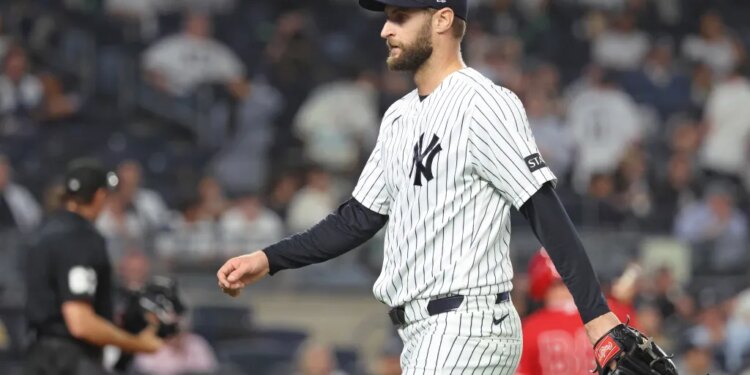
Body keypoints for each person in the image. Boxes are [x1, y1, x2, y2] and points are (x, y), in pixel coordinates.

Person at [217, 1, 668, 373]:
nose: (385, 30)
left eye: (399, 16)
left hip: (467, 326)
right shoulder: (398, 117)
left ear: (442, 19)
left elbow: (542, 208)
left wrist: (595, 316)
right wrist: (268, 258)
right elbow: (357, 219)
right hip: (422, 333)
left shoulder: (484, 103)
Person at [24, 159, 162, 375]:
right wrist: (137, 343)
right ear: (99, 196)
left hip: (38, 357)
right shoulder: (80, 237)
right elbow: (80, 321)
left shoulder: (43, 232)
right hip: (71, 361)